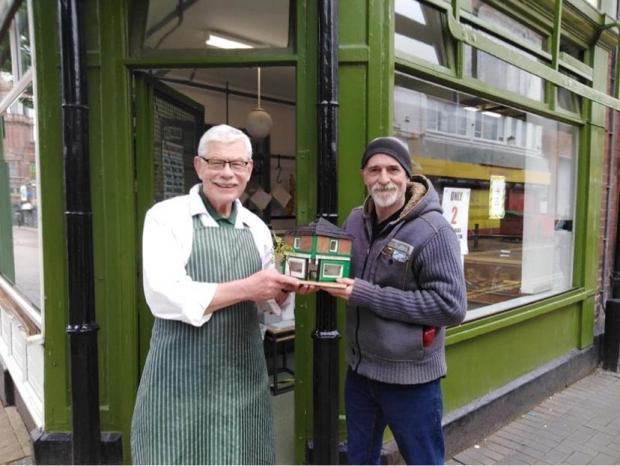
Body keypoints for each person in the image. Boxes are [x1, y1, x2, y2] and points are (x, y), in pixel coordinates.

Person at [131, 124, 302, 465]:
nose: (227, 174)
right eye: (217, 163)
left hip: (243, 375)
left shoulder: (258, 228)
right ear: (198, 166)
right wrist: (249, 287)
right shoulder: (166, 217)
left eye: (237, 164)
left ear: (249, 170)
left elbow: (269, 305)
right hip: (181, 375)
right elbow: (165, 293)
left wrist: (284, 291)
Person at [323, 136, 467, 465]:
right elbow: (342, 274)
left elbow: (451, 307)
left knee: (424, 460)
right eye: (375, 169)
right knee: (360, 459)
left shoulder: (433, 230)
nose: (383, 178)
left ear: (407, 176)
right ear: (363, 175)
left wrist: (365, 293)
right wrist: (311, 281)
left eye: (393, 169)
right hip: (361, 373)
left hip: (411, 379)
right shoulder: (355, 220)